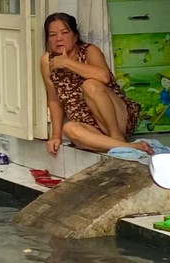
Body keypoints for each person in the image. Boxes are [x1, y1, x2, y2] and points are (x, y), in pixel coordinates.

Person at [40, 13, 149, 156]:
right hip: (89, 126)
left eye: (64, 33)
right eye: (52, 35)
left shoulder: (89, 50)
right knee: (69, 129)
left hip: (117, 117)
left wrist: (67, 62)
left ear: (75, 36)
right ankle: (128, 146)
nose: (58, 39)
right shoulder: (47, 61)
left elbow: (104, 77)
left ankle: (116, 137)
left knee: (90, 85)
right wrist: (55, 136)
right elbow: (54, 100)